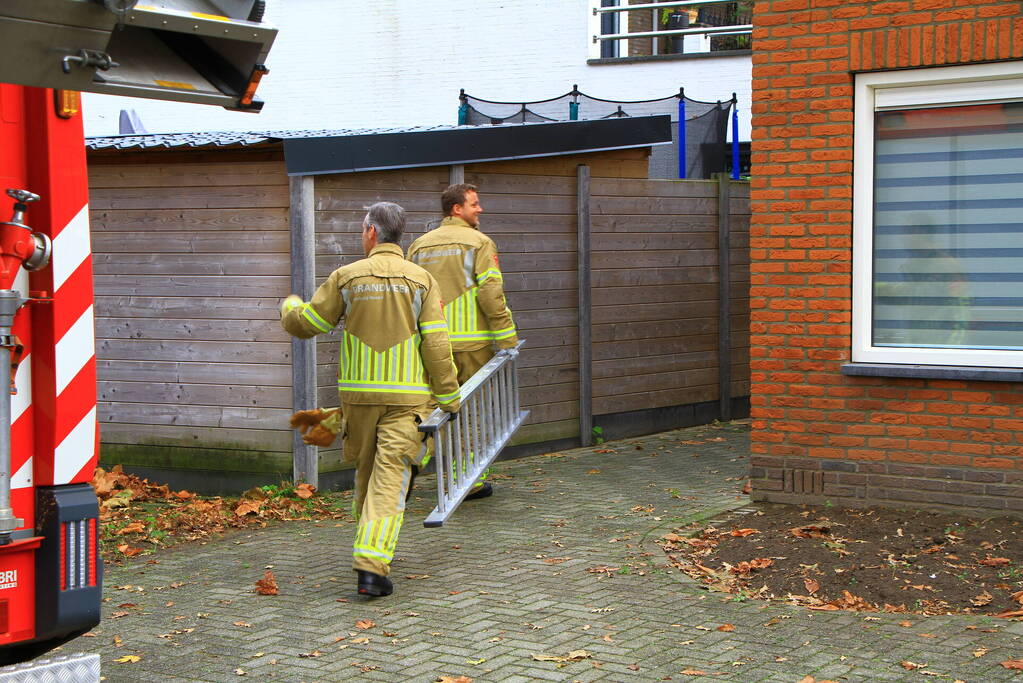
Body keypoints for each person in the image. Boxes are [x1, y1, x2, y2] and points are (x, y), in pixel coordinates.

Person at [280, 201, 459, 598]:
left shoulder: (346, 277)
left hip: (358, 400)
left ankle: (371, 553)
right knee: (391, 477)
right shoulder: (423, 280)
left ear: (371, 232)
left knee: (367, 476)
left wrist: (289, 306)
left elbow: (307, 324)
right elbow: (436, 343)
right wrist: (449, 396)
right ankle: (371, 565)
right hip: (408, 400)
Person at [407, 183, 518, 500]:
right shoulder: (480, 243)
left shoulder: (418, 246)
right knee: (470, 411)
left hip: (431, 345)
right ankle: (468, 481)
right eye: (474, 204)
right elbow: (491, 294)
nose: (480, 209)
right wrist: (507, 338)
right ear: (457, 209)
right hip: (472, 346)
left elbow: (409, 297)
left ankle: (408, 463)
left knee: (431, 409)